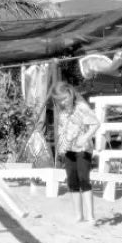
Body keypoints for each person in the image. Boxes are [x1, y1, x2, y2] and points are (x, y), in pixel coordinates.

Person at [52, 80, 102, 224]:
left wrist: (85, 137)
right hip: (68, 150)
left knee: (83, 179)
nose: (63, 102)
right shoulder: (62, 112)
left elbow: (96, 123)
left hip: (83, 149)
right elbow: (61, 131)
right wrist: (61, 148)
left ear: (71, 93)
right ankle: (78, 215)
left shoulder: (81, 107)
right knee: (72, 181)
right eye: (59, 100)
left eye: (65, 98)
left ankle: (90, 216)